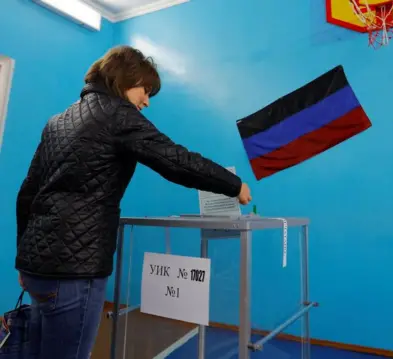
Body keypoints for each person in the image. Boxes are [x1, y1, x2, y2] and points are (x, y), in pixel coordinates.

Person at [14, 45, 252, 359]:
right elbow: (175, 160)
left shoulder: (58, 121)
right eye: (145, 90)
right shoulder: (116, 115)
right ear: (126, 80)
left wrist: (24, 256)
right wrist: (233, 185)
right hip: (75, 269)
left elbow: (27, 193)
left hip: (37, 268)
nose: (147, 101)